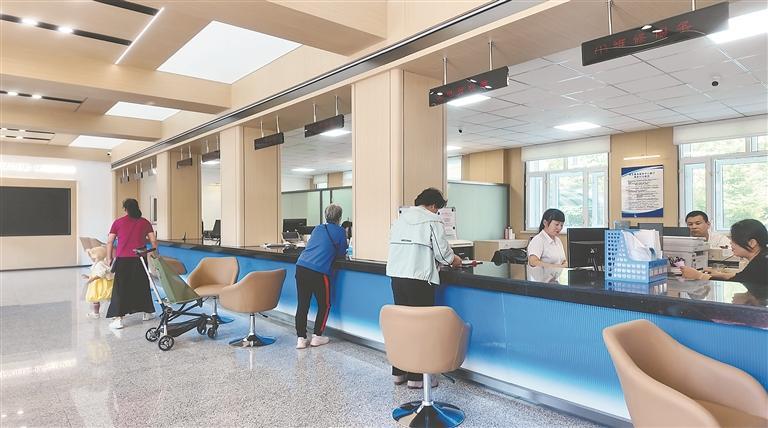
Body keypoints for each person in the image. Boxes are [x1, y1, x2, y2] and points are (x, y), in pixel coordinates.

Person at [386, 187, 462, 388]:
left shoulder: (400, 219)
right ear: (434, 205)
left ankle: (399, 372)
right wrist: (455, 260)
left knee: (403, 325)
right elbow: (442, 254)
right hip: (419, 279)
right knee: (421, 329)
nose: (437, 212)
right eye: (438, 209)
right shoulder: (432, 220)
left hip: (397, 277)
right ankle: (417, 378)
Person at [294, 204, 348, 349]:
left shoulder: (318, 228)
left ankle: (301, 338)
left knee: (302, 304)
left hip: (301, 267)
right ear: (339, 217)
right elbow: (341, 253)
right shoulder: (340, 231)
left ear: (326, 215)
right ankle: (317, 336)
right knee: (325, 304)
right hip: (318, 271)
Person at [105, 198, 157, 329]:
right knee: (142, 286)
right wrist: (155, 255)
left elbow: (110, 241)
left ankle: (118, 319)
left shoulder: (118, 222)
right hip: (140, 259)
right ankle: (147, 313)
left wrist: (109, 257)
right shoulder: (145, 222)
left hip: (123, 259)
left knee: (121, 288)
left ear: (125, 209)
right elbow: (153, 241)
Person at [682, 219, 767, 288]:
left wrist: (698, 276)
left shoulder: (761, 265)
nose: (730, 243)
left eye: (734, 240)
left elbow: (737, 282)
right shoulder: (762, 258)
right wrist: (720, 274)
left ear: (752, 243)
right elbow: (741, 277)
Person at [83, 246, 114, 319]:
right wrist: (88, 277)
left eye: (92, 256)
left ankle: (97, 313)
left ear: (97, 256)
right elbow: (95, 273)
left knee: (97, 298)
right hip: (98, 283)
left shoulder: (100, 264)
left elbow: (100, 274)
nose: (91, 258)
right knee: (98, 299)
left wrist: (92, 279)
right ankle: (96, 313)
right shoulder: (98, 263)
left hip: (100, 284)